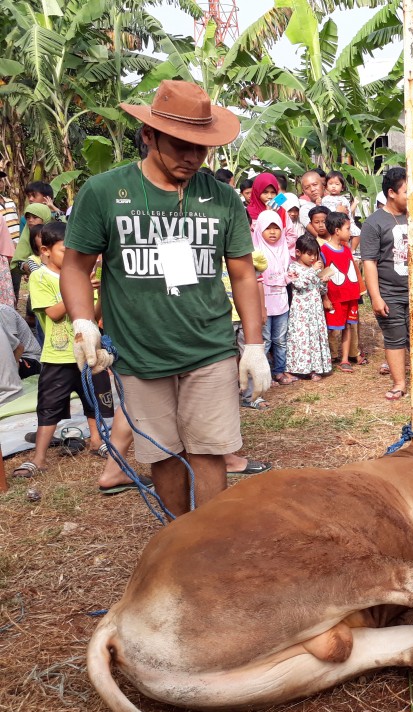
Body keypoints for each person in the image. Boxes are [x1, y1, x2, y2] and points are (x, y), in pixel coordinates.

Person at [60, 79, 270, 516]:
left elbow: (244, 275)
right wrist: (83, 322)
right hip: (139, 351)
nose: (193, 157)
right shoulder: (104, 193)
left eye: (202, 147)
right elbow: (77, 267)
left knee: (210, 449)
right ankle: (177, 533)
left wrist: (254, 344)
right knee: (162, 453)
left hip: (209, 347)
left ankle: (208, 542)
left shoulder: (221, 197)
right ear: (149, 136)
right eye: (181, 145)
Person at [14, 222, 116, 478]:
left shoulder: (85, 278)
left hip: (90, 353)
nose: (72, 257)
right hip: (58, 356)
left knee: (95, 401)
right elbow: (54, 314)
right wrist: (76, 291)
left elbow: (92, 316)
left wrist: (102, 293)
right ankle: (39, 457)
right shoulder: (40, 277)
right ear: (45, 250)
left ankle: (97, 440)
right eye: (64, 251)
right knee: (48, 407)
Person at [361, 166, 410, 401]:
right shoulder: (374, 223)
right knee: (395, 338)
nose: (411, 196)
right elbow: (368, 262)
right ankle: (399, 383)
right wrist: (376, 297)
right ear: (392, 192)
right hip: (389, 292)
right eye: (407, 191)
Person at [252, 210, 293, 385]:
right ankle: (263, 374)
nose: (273, 232)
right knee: (266, 340)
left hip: (281, 300)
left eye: (276, 228)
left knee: (281, 339)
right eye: (268, 228)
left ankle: (279, 371)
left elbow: (289, 272)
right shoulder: (255, 251)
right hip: (264, 302)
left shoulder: (285, 249)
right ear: (260, 229)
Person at [285, 234, 332, 381]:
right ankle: (299, 368)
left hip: (315, 310)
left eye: (315, 254)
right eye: (309, 254)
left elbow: (321, 289)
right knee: (301, 337)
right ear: (298, 253)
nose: (313, 258)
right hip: (301, 310)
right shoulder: (293, 267)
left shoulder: (315, 269)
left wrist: (324, 281)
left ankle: (315, 368)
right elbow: (299, 284)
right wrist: (313, 271)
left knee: (314, 337)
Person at [321, 212, 360, 371]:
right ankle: (328, 357)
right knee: (331, 328)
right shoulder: (324, 250)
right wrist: (325, 298)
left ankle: (344, 359)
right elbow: (322, 276)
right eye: (348, 228)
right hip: (334, 297)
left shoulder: (346, 248)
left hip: (350, 295)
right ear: (337, 230)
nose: (350, 232)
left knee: (347, 326)